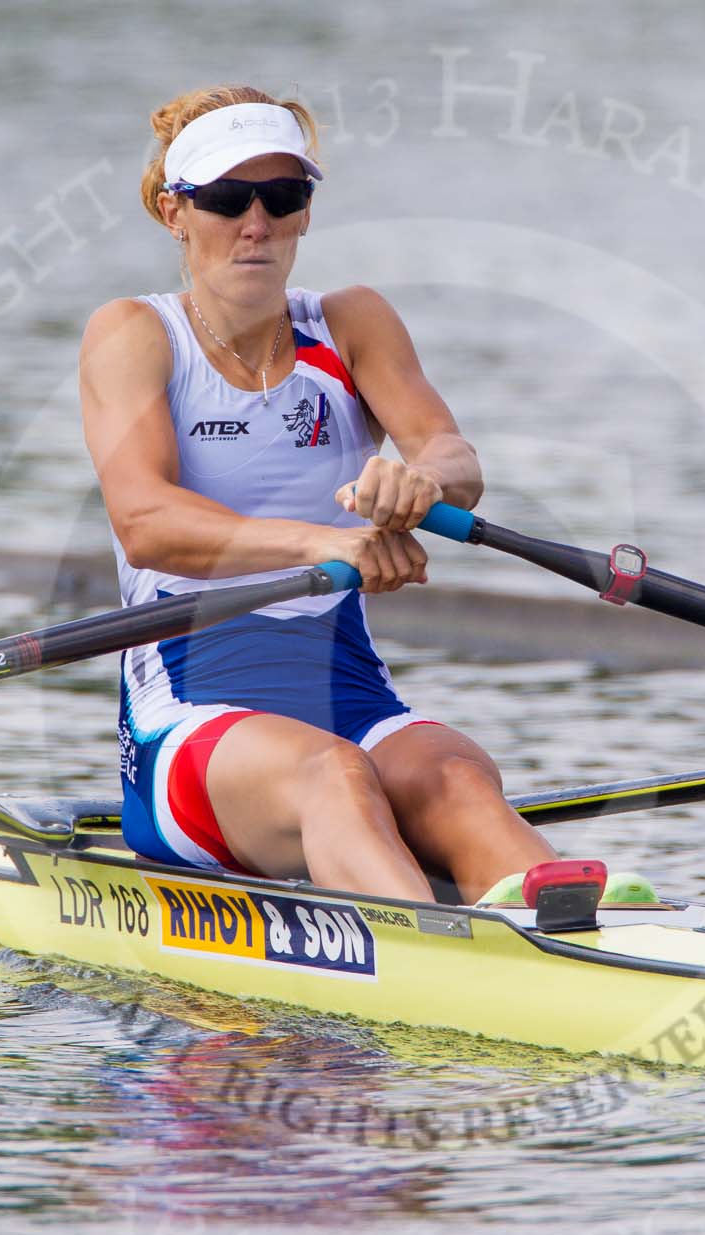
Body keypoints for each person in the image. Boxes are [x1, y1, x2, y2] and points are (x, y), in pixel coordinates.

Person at [76, 84, 558, 904]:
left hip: (352, 697)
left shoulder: (352, 323)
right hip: (189, 724)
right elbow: (145, 522)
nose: (255, 222)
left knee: (458, 772)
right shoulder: (135, 334)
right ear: (174, 212)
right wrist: (321, 542)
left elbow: (456, 460)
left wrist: (420, 481)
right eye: (228, 198)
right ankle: (437, 964)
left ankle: (595, 938)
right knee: (335, 774)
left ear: (305, 211)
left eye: (283, 195)